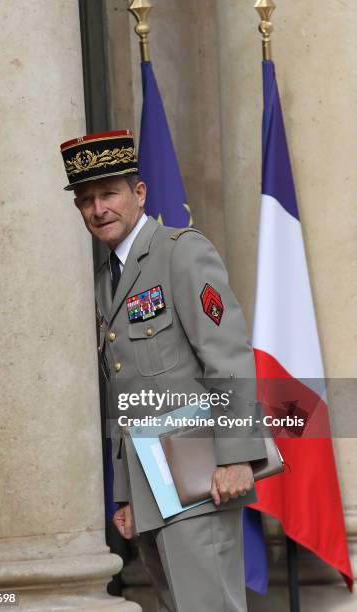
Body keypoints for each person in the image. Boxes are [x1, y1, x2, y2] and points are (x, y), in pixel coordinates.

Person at [60, 130, 267, 612]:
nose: (98, 209)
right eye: (86, 199)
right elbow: (123, 393)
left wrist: (237, 456)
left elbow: (228, 356)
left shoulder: (181, 252)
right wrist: (126, 494)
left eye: (109, 193)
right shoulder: (104, 282)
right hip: (150, 483)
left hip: (200, 473)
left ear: (139, 194)